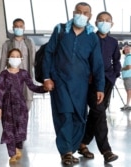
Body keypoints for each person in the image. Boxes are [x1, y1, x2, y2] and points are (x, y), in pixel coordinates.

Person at [42, 2, 105, 165]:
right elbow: (48, 53)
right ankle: (66, 152)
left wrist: (100, 87)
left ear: (90, 16)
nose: (82, 15)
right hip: (60, 81)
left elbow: (97, 64)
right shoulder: (61, 30)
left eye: (85, 13)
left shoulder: (92, 36)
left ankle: (72, 147)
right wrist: (46, 77)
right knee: (65, 114)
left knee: (79, 117)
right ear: (73, 12)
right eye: (79, 12)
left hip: (81, 85)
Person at [78, 11, 120, 163]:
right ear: (95, 23)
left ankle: (82, 143)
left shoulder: (114, 42)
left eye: (107, 20)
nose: (104, 22)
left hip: (107, 81)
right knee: (99, 112)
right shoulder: (89, 39)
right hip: (91, 82)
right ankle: (106, 151)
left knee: (96, 113)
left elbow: (117, 61)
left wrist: (114, 75)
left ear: (112, 23)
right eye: (101, 20)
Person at [0, 48, 46, 163]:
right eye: (12, 56)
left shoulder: (24, 73)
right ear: (8, 58)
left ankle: (18, 148)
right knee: (8, 131)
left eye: (17, 56)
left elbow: (32, 87)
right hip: (7, 107)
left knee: (20, 129)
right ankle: (12, 153)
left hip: (21, 107)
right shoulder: (4, 74)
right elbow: (0, 91)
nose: (15, 58)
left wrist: (44, 88)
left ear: (21, 58)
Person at [0, 18, 36, 109]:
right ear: (13, 28)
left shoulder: (30, 43)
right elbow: (3, 61)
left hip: (26, 78)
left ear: (24, 28)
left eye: (20, 26)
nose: (18, 28)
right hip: (12, 78)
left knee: (27, 104)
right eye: (16, 26)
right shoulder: (7, 44)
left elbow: (34, 61)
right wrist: (0, 80)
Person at [121, 45, 131, 110]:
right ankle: (127, 104)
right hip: (127, 76)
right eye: (125, 49)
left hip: (128, 77)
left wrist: (122, 69)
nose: (126, 50)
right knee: (129, 91)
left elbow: (129, 67)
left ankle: (127, 105)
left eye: (127, 49)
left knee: (128, 91)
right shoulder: (127, 57)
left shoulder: (128, 57)